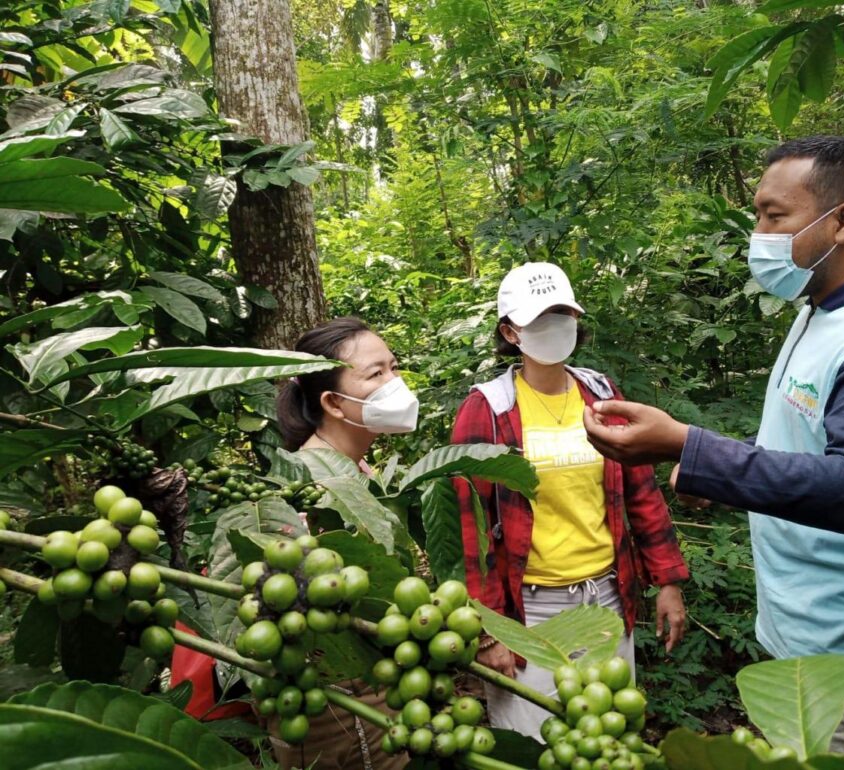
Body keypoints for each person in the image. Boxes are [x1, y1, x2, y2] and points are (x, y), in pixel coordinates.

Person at [582, 136, 844, 753]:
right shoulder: (827, 303)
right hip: (811, 624)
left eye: (773, 216)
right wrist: (718, 474)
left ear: (841, 222)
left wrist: (689, 447)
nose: (758, 232)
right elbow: (814, 437)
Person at [450, 262, 690, 741]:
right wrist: (488, 629)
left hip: (605, 598)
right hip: (531, 613)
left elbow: (642, 493)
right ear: (510, 332)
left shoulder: (600, 396)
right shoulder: (490, 411)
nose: (554, 328)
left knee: (607, 736)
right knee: (539, 743)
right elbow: (471, 532)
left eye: (562, 314)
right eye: (538, 319)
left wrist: (667, 580)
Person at [272, 315, 417, 770]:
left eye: (394, 367)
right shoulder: (306, 490)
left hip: (376, 692)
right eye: (376, 374)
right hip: (338, 710)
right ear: (334, 402)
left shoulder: (356, 471)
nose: (395, 383)